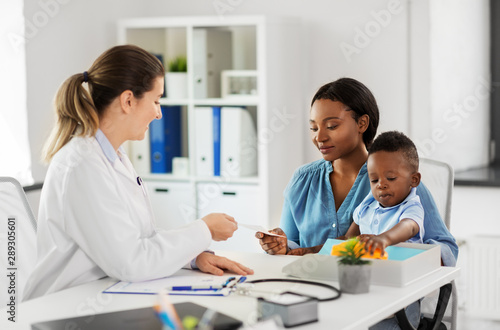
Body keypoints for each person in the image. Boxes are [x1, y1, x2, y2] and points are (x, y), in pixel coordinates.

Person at [23, 45, 253, 301]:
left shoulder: (114, 157)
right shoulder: (82, 164)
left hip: (100, 294)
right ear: (128, 100)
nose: (159, 113)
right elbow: (131, 262)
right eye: (156, 100)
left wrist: (194, 256)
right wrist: (204, 230)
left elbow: (143, 238)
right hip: (63, 305)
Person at [256, 78, 458, 266]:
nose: (320, 137)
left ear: (362, 123)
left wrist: (395, 253)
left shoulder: (398, 183)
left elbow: (447, 250)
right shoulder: (302, 180)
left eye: (332, 126)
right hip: (315, 292)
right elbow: (294, 247)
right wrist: (282, 247)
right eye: (314, 128)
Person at [345, 131, 424, 256]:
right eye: (374, 180)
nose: (380, 185)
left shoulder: (411, 206)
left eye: (391, 178)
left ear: (414, 180)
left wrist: (384, 239)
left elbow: (409, 226)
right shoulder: (367, 205)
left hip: (403, 270)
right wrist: (314, 250)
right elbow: (348, 240)